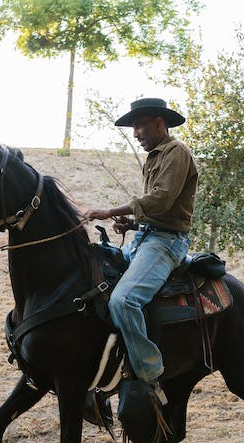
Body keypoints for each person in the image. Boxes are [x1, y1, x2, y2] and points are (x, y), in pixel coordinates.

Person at [84, 98, 197, 404]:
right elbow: (160, 209)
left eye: (140, 125)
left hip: (166, 243)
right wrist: (132, 223)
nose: (135, 134)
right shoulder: (156, 155)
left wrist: (110, 211)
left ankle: (149, 375)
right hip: (147, 238)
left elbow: (160, 200)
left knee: (123, 300)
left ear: (159, 122)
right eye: (134, 128)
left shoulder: (177, 152)